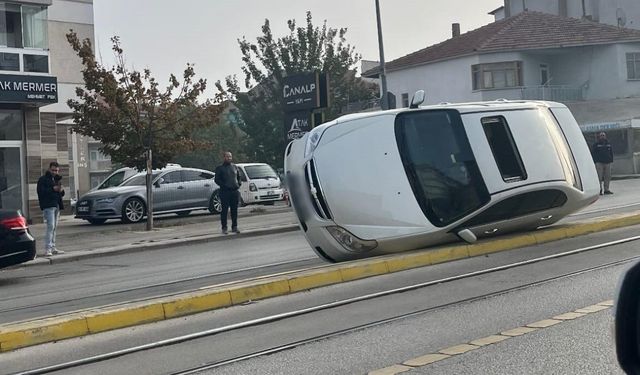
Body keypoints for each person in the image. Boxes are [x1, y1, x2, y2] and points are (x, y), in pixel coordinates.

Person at [37, 162, 65, 256]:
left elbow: (61, 193)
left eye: (56, 170)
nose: (54, 172)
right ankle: (48, 248)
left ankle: (53, 247)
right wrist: (53, 189)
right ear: (49, 169)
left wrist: (61, 190)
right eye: (53, 170)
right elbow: (41, 192)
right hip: (48, 206)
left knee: (54, 228)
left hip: (56, 205)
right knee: (51, 226)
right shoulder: (43, 179)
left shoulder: (57, 179)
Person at [214, 151, 242, 234]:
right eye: (227, 156)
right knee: (224, 210)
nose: (229, 158)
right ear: (224, 158)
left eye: (230, 156)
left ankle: (234, 226)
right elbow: (217, 180)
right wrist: (224, 185)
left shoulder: (235, 167)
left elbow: (239, 177)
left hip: (234, 191)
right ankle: (224, 227)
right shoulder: (220, 168)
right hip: (225, 192)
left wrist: (238, 184)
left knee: (234, 210)